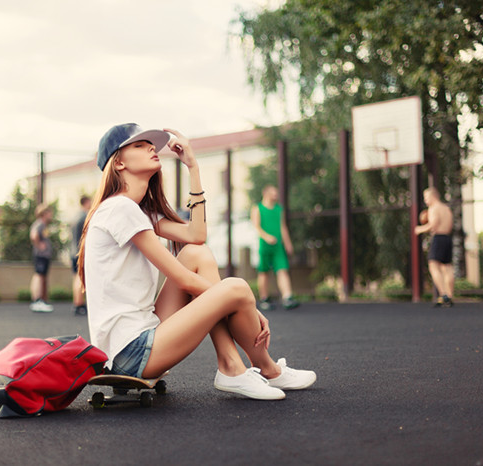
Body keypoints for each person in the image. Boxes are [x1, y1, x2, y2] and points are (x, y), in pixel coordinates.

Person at [77, 123, 316, 400]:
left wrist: (193, 167)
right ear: (118, 162)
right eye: (139, 145)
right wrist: (245, 302)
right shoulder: (120, 208)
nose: (151, 148)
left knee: (196, 254)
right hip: (130, 352)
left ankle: (242, 367)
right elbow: (183, 279)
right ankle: (253, 368)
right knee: (236, 288)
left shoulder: (138, 212)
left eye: (151, 144)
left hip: (144, 335)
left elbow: (196, 235)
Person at [250, 185, 300, 311]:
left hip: (278, 246)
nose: (275, 195)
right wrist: (267, 237)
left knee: (282, 269)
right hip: (265, 246)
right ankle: (264, 298)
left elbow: (283, 227)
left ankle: (287, 297)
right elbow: (256, 227)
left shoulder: (279, 209)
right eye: (273, 193)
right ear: (266, 193)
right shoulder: (257, 208)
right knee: (264, 271)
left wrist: (288, 243)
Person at [415, 187, 455, 307]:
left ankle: (443, 295)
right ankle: (450, 295)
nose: (425, 200)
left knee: (433, 266)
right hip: (448, 238)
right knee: (447, 267)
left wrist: (419, 229)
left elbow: (433, 225)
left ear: (433, 196)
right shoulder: (446, 208)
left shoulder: (433, 208)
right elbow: (450, 225)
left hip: (438, 238)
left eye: (426, 197)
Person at [30, 203, 54, 312]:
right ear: (44, 213)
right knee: (39, 276)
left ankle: (41, 300)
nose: (51, 215)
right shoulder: (39, 224)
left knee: (41, 276)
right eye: (49, 213)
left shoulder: (43, 225)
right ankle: (37, 301)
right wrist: (39, 245)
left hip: (44, 256)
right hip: (40, 255)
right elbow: (33, 235)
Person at [71, 195, 91, 316]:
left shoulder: (75, 216)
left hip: (73, 252)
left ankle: (77, 303)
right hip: (80, 252)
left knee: (76, 278)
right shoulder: (84, 217)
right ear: (86, 202)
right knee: (80, 278)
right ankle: (79, 304)